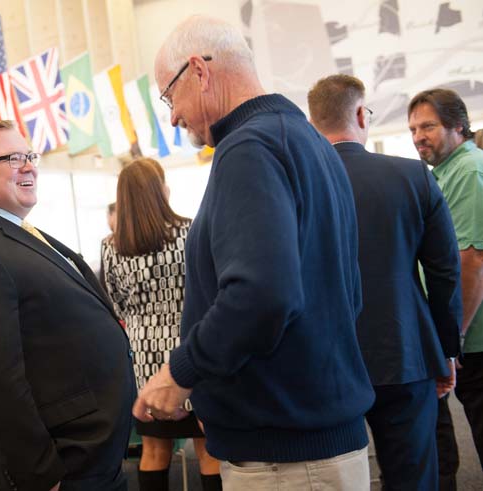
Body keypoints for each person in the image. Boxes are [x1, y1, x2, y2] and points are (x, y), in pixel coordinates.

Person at [133, 16, 376, 489]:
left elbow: (263, 293)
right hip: (308, 435)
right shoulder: (304, 140)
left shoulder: (249, 147)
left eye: (170, 96)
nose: (174, 117)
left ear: (199, 71)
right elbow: (345, 292)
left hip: (286, 457)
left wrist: (182, 372)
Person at [0, 119, 136, 491]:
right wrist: (39, 473)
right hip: (60, 462)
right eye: (12, 158)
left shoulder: (16, 234)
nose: (28, 166)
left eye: (29, 156)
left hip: (90, 450)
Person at [308, 74, 463, 490]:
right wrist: (446, 348)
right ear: (360, 114)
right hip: (405, 351)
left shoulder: (295, 183)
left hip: (325, 361)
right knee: (412, 476)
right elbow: (444, 271)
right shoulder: (412, 176)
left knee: (334, 479)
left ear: (312, 122)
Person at [102, 158, 221, 491]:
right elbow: (209, 288)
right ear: (161, 189)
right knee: (207, 447)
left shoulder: (111, 248)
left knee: (153, 450)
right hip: (190, 350)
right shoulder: (191, 231)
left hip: (144, 359)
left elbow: (116, 305)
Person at [408, 89, 483, 489]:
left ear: (458, 125)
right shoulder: (443, 172)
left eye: (428, 126)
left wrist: (454, 338)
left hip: (475, 340)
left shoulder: (468, 170)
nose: (419, 136)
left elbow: (471, 261)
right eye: (414, 128)